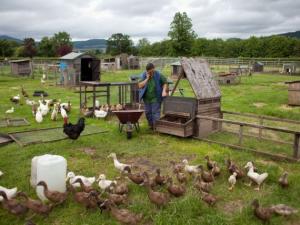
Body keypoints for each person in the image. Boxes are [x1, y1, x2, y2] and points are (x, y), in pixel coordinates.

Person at [138, 63, 168, 129]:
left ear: (154, 69)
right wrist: (147, 79)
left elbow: (165, 83)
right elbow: (140, 85)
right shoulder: (144, 75)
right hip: (147, 98)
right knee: (148, 113)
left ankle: (156, 127)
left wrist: (164, 91)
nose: (151, 73)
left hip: (156, 98)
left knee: (155, 113)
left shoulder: (158, 74)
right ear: (147, 71)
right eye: (149, 72)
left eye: (152, 71)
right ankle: (151, 125)